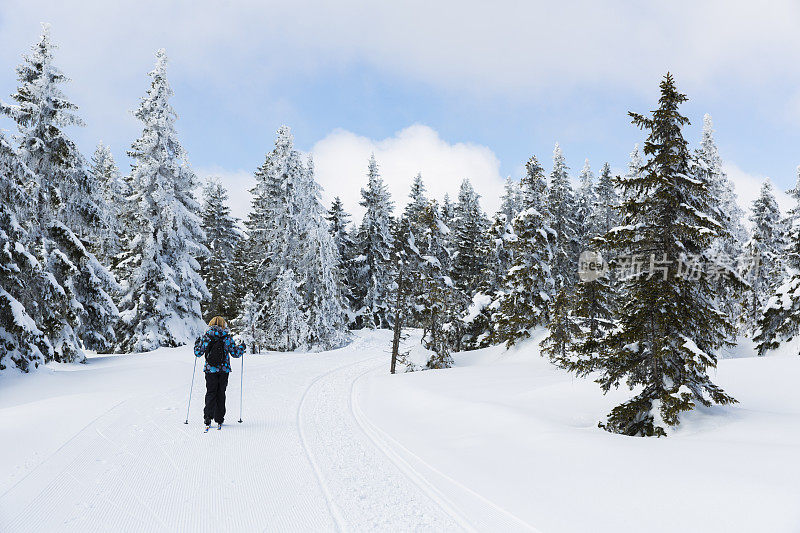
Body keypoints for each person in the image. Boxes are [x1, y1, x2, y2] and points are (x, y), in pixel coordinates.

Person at [194, 316, 245, 429]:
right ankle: (219, 418)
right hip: (223, 370)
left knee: (211, 392)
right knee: (221, 393)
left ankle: (208, 417)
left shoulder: (206, 337)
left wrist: (197, 344)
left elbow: (198, 353)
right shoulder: (226, 337)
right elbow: (235, 353)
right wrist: (242, 347)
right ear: (223, 324)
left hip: (210, 370)